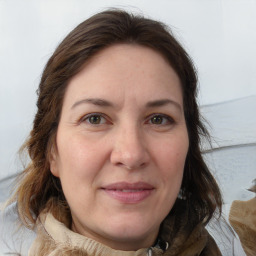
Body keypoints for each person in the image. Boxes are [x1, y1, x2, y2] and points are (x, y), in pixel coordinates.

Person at [0, 9, 245, 256]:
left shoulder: (226, 245)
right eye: (95, 119)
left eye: (158, 119)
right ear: (52, 150)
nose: (131, 154)